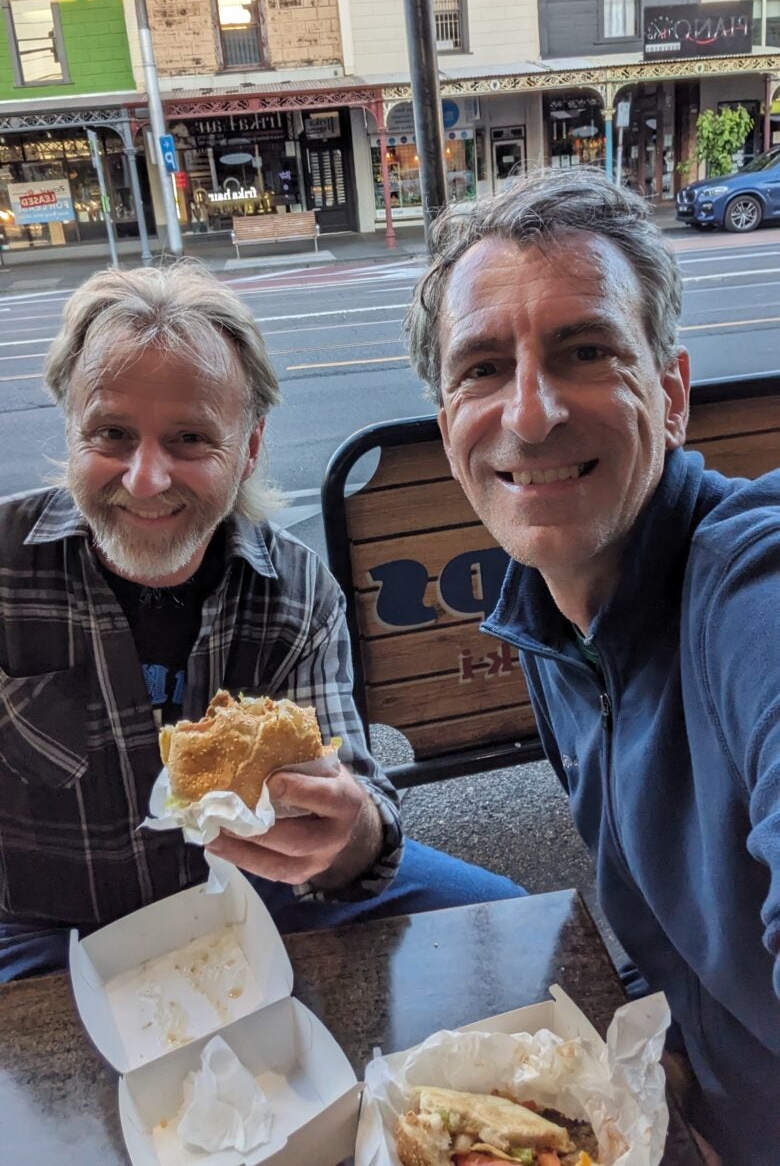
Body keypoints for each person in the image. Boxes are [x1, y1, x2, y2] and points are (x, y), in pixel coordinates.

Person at [0, 261, 522, 983]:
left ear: (248, 449)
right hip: (52, 933)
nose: (145, 478)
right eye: (112, 434)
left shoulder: (298, 589)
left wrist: (347, 830)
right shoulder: (5, 571)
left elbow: (362, 817)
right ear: (71, 428)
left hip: (263, 898)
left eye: (190, 439)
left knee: (516, 928)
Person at [405, 169, 779, 1165]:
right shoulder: (550, 609)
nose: (530, 416)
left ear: (672, 394)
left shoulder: (752, 587)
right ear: (448, 427)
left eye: (585, 351)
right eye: (482, 367)